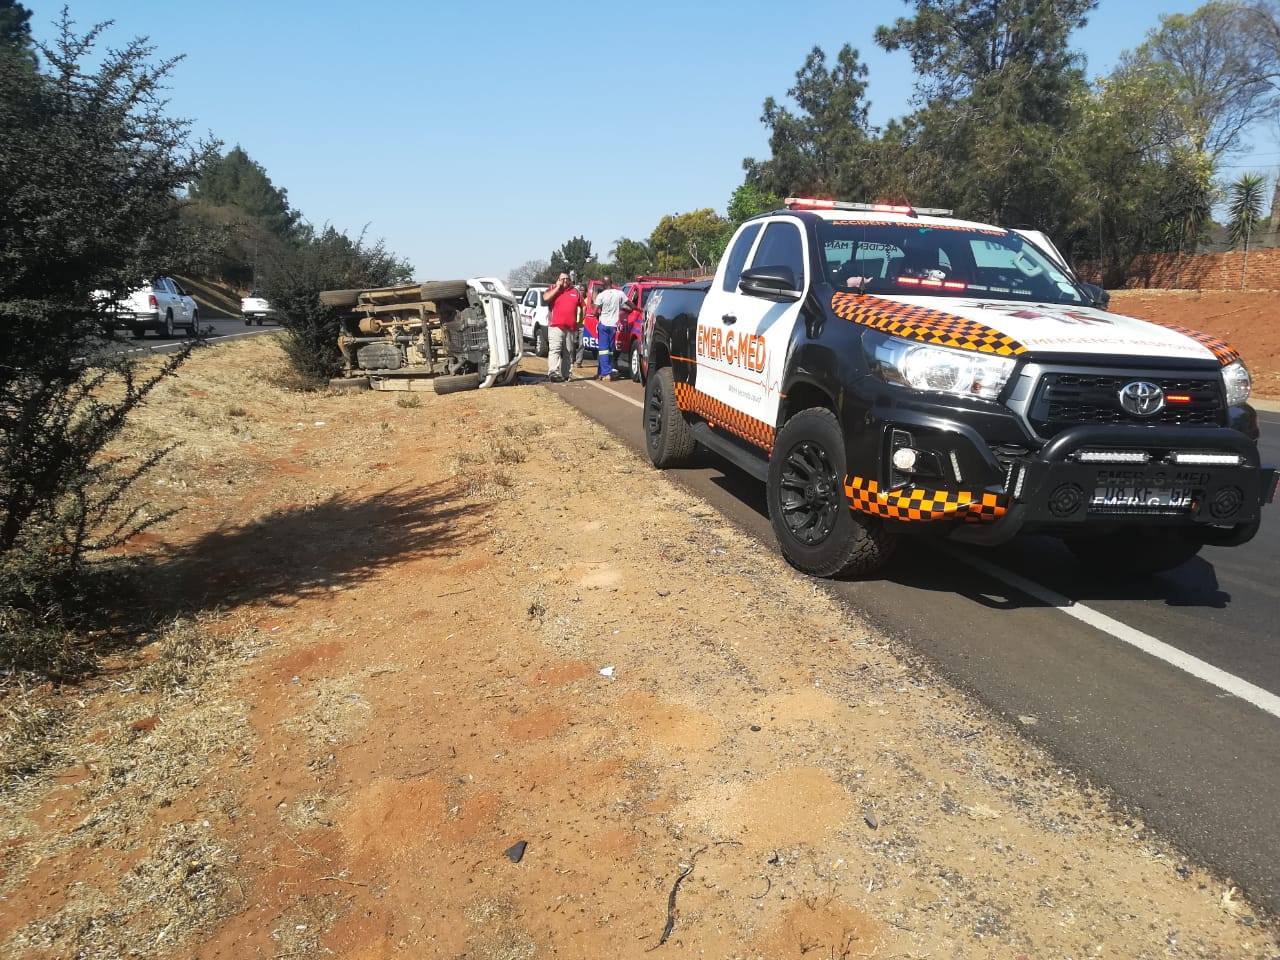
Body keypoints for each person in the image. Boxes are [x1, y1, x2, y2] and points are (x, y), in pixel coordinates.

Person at [542, 273, 581, 382]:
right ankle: (553, 372)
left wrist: (579, 322)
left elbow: (582, 307)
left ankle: (566, 374)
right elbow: (545, 298)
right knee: (555, 349)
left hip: (570, 327)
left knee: (568, 351)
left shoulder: (575, 291)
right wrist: (557, 287)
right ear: (558, 280)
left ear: (570, 280)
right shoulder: (553, 289)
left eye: (567, 279)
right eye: (562, 279)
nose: (565, 281)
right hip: (555, 326)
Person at [592, 277, 627, 381]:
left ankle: (606, 373)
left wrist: (598, 314)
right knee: (610, 350)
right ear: (612, 283)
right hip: (613, 326)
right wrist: (638, 309)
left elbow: (594, 312)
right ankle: (601, 372)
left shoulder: (601, 295)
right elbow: (630, 304)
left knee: (603, 350)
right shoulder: (619, 293)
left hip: (603, 324)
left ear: (603, 284)